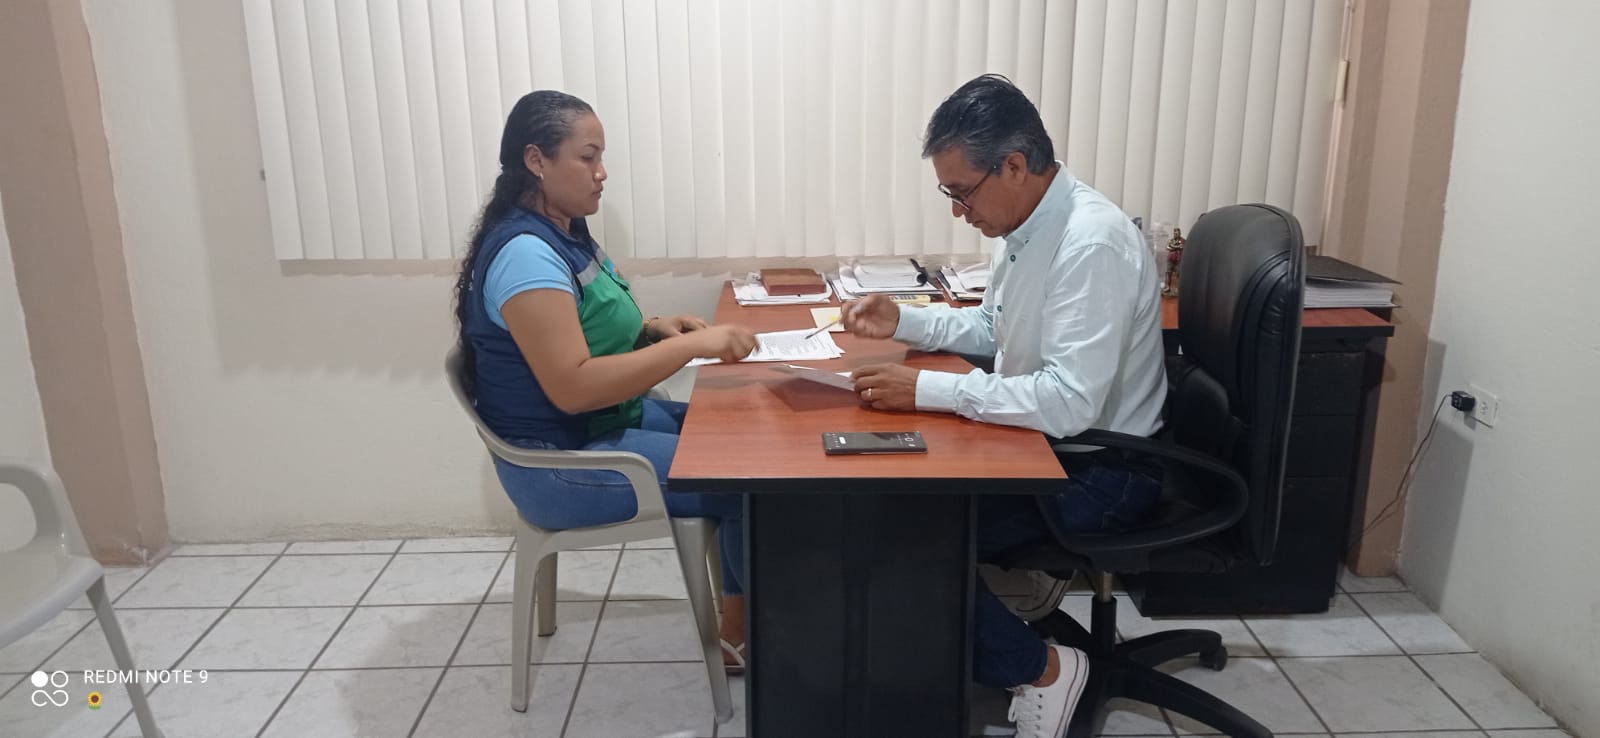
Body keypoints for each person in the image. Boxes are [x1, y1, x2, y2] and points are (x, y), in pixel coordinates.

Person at [841, 75, 1168, 738]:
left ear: (1014, 166)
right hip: (1046, 447)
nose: (959, 211)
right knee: (888, 503)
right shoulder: (1025, 227)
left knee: (903, 534)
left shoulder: (1090, 243)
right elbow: (995, 330)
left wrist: (924, 391)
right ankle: (969, 639)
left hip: (1103, 471)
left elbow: (1069, 402)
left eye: (962, 192)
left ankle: (1044, 669)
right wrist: (904, 321)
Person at [454, 90, 757, 669]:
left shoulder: (565, 231)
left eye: (602, 157)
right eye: (587, 157)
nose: (602, 173)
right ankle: (739, 638)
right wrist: (693, 346)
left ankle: (748, 614)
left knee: (740, 432)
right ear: (537, 160)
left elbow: (585, 332)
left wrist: (652, 329)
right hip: (558, 462)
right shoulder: (526, 255)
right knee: (749, 479)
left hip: (599, 424)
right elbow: (574, 387)